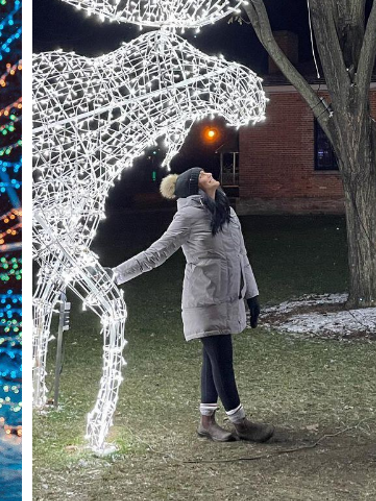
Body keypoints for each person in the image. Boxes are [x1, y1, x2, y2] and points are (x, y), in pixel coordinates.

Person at [111, 167, 274, 443]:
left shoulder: (227, 212)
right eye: (201, 175)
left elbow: (241, 255)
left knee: (213, 359)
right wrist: (115, 275)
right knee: (222, 359)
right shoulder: (187, 215)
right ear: (192, 187)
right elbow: (156, 253)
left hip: (229, 297)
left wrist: (252, 295)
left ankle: (206, 422)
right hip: (205, 300)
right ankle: (241, 423)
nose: (208, 173)